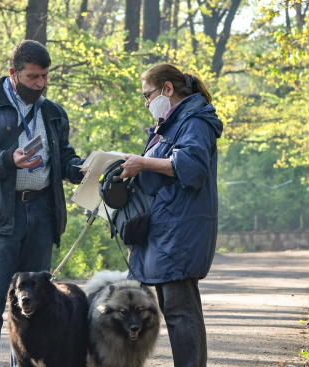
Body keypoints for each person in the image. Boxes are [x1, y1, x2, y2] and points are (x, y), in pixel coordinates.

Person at [0, 40, 85, 367]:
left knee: (37, 301)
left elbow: (63, 156)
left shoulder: (52, 112)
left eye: (45, 76)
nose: (40, 84)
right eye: (33, 77)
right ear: (13, 73)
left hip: (42, 214)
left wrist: (80, 169)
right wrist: (6, 159)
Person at [120, 63, 222, 367]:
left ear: (168, 89)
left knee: (180, 312)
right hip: (165, 227)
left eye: (148, 95)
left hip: (181, 229)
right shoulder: (173, 123)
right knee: (170, 308)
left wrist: (143, 163)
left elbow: (190, 167)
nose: (146, 103)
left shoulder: (195, 120)